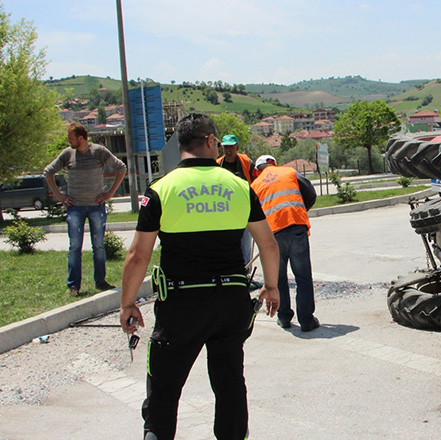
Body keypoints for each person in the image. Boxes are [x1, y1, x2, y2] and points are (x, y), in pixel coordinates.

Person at [119, 114, 280, 440]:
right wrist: (271, 286)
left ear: (181, 145)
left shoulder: (161, 189)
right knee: (229, 383)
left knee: (164, 391)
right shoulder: (239, 187)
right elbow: (268, 245)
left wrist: (127, 304)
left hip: (180, 306)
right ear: (210, 141)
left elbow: (138, 256)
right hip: (229, 304)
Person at [44, 123, 127, 297]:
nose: (68, 140)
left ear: (81, 138)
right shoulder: (68, 154)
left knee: (98, 245)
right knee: (75, 246)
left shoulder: (99, 152)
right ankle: (74, 286)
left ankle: (101, 281)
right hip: (75, 207)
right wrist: (59, 195)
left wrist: (109, 192)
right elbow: (48, 172)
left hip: (96, 206)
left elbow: (121, 167)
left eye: (71, 137)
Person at [251, 154, 320, 331]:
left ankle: (283, 317)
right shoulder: (289, 172)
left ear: (257, 170)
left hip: (273, 234)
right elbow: (310, 193)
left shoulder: (255, 185)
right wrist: (300, 210)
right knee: (303, 276)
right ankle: (306, 320)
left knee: (278, 278)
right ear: (273, 164)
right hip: (296, 227)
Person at [217, 134, 257, 265]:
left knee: (245, 244)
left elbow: (256, 184)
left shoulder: (246, 162)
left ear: (237, 147)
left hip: (244, 209)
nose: (228, 151)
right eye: (226, 147)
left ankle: (245, 274)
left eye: (231, 147)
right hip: (224, 210)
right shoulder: (217, 164)